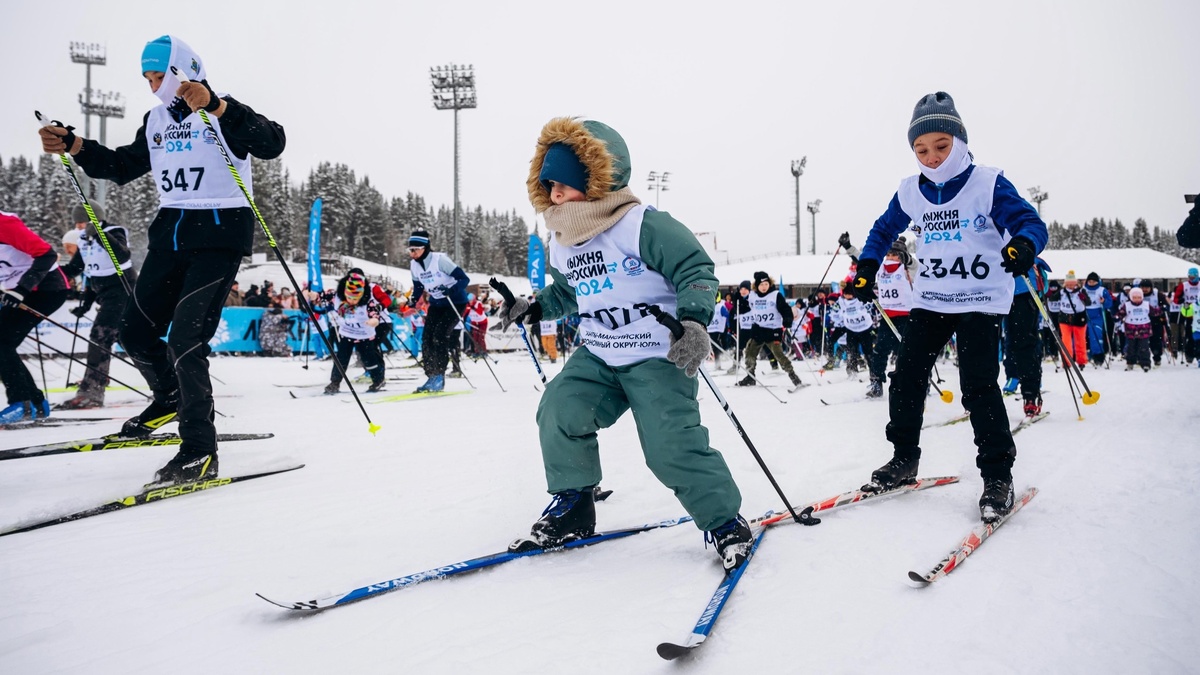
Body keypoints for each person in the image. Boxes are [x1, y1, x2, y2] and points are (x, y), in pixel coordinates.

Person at [499, 117, 752, 572]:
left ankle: (725, 521)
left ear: (598, 179)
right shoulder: (563, 241)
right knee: (560, 408)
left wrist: (694, 323)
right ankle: (574, 503)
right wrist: (535, 307)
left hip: (658, 354)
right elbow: (571, 292)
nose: (555, 194)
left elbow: (695, 270)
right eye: (549, 184)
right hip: (599, 352)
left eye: (566, 184)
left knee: (670, 446)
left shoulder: (641, 225)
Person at [38, 35, 285, 485]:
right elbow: (122, 165)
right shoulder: (155, 120)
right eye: (148, 78)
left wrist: (220, 107)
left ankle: (199, 449)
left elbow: (271, 142)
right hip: (170, 235)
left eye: (160, 76)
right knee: (134, 331)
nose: (154, 87)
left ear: (183, 72)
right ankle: (169, 396)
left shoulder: (222, 110)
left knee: (187, 339)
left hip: (218, 235)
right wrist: (74, 145)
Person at [848, 91, 1048, 523]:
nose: (932, 157)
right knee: (905, 377)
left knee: (977, 385)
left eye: (941, 146)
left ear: (958, 143)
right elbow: (883, 230)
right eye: (921, 149)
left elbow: (1032, 223)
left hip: (980, 300)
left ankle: (997, 476)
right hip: (933, 298)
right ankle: (904, 458)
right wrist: (866, 266)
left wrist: (1024, 245)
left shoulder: (988, 182)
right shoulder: (911, 191)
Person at [58, 204, 138, 409]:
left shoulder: (114, 232)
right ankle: (168, 382)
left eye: (83, 222)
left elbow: (122, 255)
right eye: (77, 224)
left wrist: (101, 235)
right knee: (133, 342)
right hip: (105, 295)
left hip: (123, 292)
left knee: (99, 336)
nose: (80, 227)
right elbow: (79, 268)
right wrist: (46, 274)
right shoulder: (83, 240)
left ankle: (92, 391)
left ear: (96, 220)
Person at [0, 211, 70, 423]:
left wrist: (22, 289)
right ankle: (35, 404)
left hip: (47, 289)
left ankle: (23, 402)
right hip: (18, 291)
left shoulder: (4, 224)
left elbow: (47, 255)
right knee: (3, 343)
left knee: (2, 342)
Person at [407, 230, 470, 392]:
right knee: (427, 339)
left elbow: (464, 279)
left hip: (454, 302)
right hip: (436, 303)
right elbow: (419, 286)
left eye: (415, 249)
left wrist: (452, 290)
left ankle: (439, 375)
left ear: (425, 247)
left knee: (440, 336)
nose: (412, 253)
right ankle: (432, 375)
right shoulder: (414, 265)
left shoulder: (440, 260)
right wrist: (414, 298)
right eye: (410, 250)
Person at [316, 272, 386, 393]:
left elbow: (375, 315)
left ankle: (378, 380)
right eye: (349, 298)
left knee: (369, 360)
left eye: (355, 298)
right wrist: (311, 294)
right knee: (341, 359)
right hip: (346, 334)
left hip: (364, 336)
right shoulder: (337, 296)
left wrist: (373, 321)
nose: (352, 301)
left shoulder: (368, 302)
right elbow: (321, 296)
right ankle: (335, 383)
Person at [734, 272, 804, 390]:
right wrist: (737, 300)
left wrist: (787, 320)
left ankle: (793, 376)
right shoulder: (753, 296)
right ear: (757, 286)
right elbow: (744, 306)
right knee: (750, 353)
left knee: (778, 354)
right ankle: (750, 376)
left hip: (773, 330)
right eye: (761, 285)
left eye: (766, 284)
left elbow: (785, 309)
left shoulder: (775, 295)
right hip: (758, 329)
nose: (764, 287)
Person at [1002, 257, 1051, 419]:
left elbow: (1043, 283)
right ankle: (978, 396)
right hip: (992, 292)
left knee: (1024, 344)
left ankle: (1031, 393)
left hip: (1022, 293)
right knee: (1002, 344)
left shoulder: (1024, 241)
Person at [866, 240, 913, 397]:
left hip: (907, 317)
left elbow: (919, 270)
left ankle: (920, 381)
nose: (890, 258)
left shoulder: (907, 269)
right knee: (880, 351)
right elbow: (862, 260)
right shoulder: (881, 268)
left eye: (895, 255)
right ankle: (876, 383)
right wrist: (848, 247)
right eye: (888, 254)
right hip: (887, 317)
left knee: (910, 351)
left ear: (902, 256)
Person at [1049, 270, 1090, 368]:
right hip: (1064, 318)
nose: (1070, 286)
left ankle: (1081, 361)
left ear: (1076, 283)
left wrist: (1083, 298)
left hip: (1079, 318)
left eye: (1072, 284)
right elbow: (1052, 299)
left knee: (1080, 341)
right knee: (1066, 341)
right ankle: (1067, 361)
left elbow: (1088, 303)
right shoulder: (1062, 291)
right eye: (1068, 284)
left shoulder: (1081, 290)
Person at [1115, 287, 1159, 371]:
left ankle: (1145, 363)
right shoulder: (1127, 305)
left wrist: (1161, 310)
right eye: (1134, 298)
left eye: (1139, 297)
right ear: (1131, 297)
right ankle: (1130, 362)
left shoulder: (1146, 304)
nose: (1137, 300)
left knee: (1144, 347)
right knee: (1131, 347)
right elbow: (1121, 313)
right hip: (1131, 330)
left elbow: (1154, 312)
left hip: (1144, 329)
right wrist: (1117, 317)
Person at [1081, 272, 1114, 367]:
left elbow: (1109, 303)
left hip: (1097, 316)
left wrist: (1104, 301)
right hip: (1085, 314)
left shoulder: (1102, 290)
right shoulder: (1083, 289)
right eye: (1090, 281)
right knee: (1083, 336)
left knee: (1096, 336)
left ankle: (1098, 356)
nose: (1091, 283)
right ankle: (1085, 354)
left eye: (1093, 281)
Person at [1171, 268, 1199, 364]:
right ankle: (1189, 354)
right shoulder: (1184, 285)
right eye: (1190, 277)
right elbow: (1176, 298)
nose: (1192, 279)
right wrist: (1182, 301)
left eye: (1193, 277)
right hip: (1189, 311)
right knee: (1190, 334)